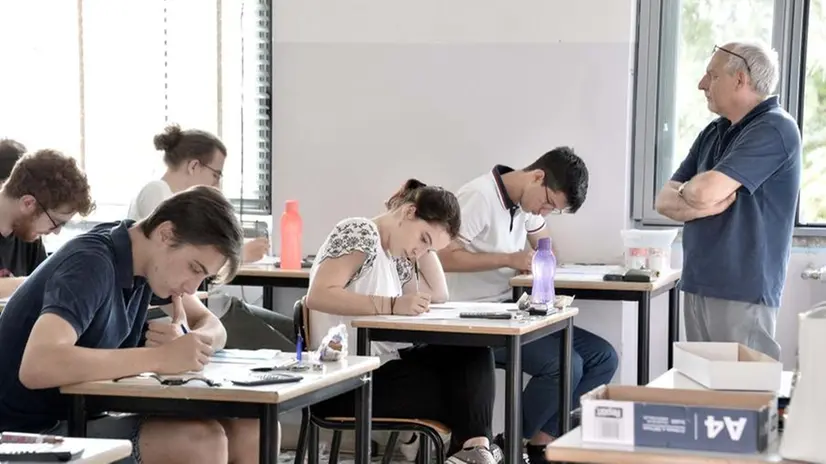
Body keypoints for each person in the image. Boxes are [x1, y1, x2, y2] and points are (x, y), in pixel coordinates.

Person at [0, 186, 265, 464]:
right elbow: (38, 365)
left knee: (252, 432)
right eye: (195, 269)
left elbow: (212, 325)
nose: (191, 287)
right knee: (201, 442)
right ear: (166, 234)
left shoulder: (147, 262)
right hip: (27, 434)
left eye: (203, 277)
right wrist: (160, 358)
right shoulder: (91, 265)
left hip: (83, 416)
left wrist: (191, 341)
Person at [437, 149, 618, 464]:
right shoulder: (479, 196)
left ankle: (536, 444)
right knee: (565, 364)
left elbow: (547, 247)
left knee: (603, 357)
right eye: (548, 203)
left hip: (511, 312)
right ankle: (506, 448)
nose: (545, 212)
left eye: (554, 210)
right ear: (537, 176)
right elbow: (443, 256)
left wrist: (543, 260)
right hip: (471, 319)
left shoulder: (528, 205)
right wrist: (509, 259)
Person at [306, 179, 499, 464]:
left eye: (428, 248)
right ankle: (475, 451)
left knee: (474, 352)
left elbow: (438, 294)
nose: (419, 252)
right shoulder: (359, 232)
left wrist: (422, 247)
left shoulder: (393, 254)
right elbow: (318, 295)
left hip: (381, 369)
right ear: (409, 212)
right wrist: (392, 305)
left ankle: (475, 450)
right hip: (344, 382)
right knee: (463, 395)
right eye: (423, 238)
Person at [655, 41, 801, 360]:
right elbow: (662, 202)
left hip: (742, 289)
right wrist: (693, 195)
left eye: (712, 75)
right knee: (704, 396)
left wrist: (696, 194)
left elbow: (704, 192)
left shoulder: (775, 127)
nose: (701, 84)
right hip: (698, 282)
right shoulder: (714, 131)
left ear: (740, 79)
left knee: (745, 395)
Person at [127, 124, 269, 264]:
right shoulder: (156, 191)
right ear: (193, 166)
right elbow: (174, 256)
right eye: (216, 175)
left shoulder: (180, 205)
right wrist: (240, 255)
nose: (217, 185)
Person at [0, 144, 95, 297]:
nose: (56, 232)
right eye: (56, 222)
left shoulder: (28, 234)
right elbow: (44, 283)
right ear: (28, 203)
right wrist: (39, 281)